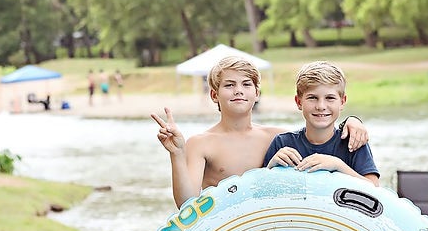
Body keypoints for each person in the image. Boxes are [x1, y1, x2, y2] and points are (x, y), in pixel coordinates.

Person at [151, 55, 369, 207]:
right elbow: (187, 204)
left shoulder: (277, 137)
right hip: (226, 230)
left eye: (246, 85)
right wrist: (177, 154)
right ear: (214, 95)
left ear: (257, 93)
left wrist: (352, 121)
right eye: (229, 85)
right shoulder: (201, 143)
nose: (238, 91)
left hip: (265, 229)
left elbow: (317, 127)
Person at [264, 61, 379, 186]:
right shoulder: (282, 143)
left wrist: (338, 165)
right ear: (298, 102)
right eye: (312, 98)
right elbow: (260, 190)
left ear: (342, 102)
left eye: (330, 98)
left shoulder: (353, 142)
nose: (321, 106)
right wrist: (270, 167)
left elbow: (375, 188)